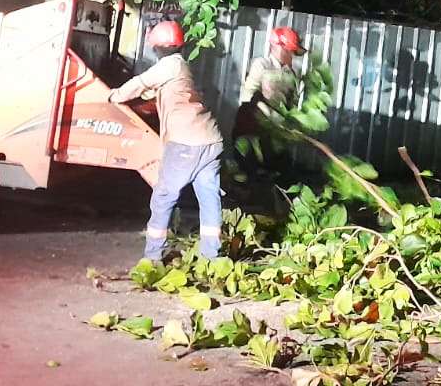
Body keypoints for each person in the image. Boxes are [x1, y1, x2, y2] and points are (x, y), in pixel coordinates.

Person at [109, 20, 223, 262]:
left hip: (186, 143)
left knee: (164, 197)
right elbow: (162, 92)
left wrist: (113, 96)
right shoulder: (182, 65)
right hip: (211, 140)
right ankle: (211, 256)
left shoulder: (168, 65)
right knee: (208, 197)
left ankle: (153, 256)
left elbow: (138, 84)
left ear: (157, 48)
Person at [232, 26, 307, 168]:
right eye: (290, 51)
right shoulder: (261, 65)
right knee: (250, 168)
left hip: (276, 133)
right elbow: (247, 96)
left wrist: (293, 123)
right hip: (252, 129)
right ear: (279, 48)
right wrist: (270, 114)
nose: (292, 56)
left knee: (279, 168)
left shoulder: (291, 74)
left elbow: (291, 102)